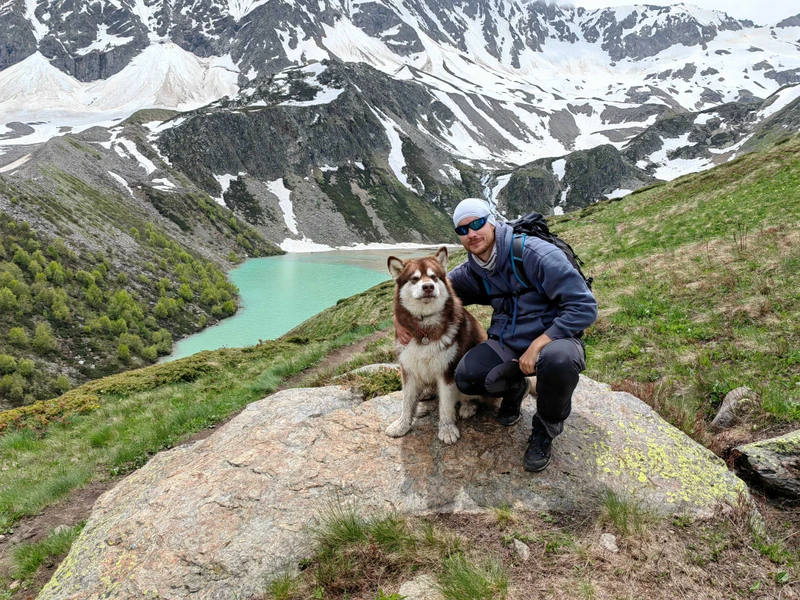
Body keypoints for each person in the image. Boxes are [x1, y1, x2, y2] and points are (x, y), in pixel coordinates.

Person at [396, 198, 597, 472]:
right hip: (508, 343)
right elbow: (432, 294)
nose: (471, 234)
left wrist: (540, 343)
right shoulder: (473, 270)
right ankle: (517, 389)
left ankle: (545, 430)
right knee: (466, 377)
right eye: (462, 230)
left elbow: (584, 307)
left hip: (555, 339)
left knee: (558, 361)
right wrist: (400, 320)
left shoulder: (535, 254)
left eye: (477, 224)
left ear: (491, 221)